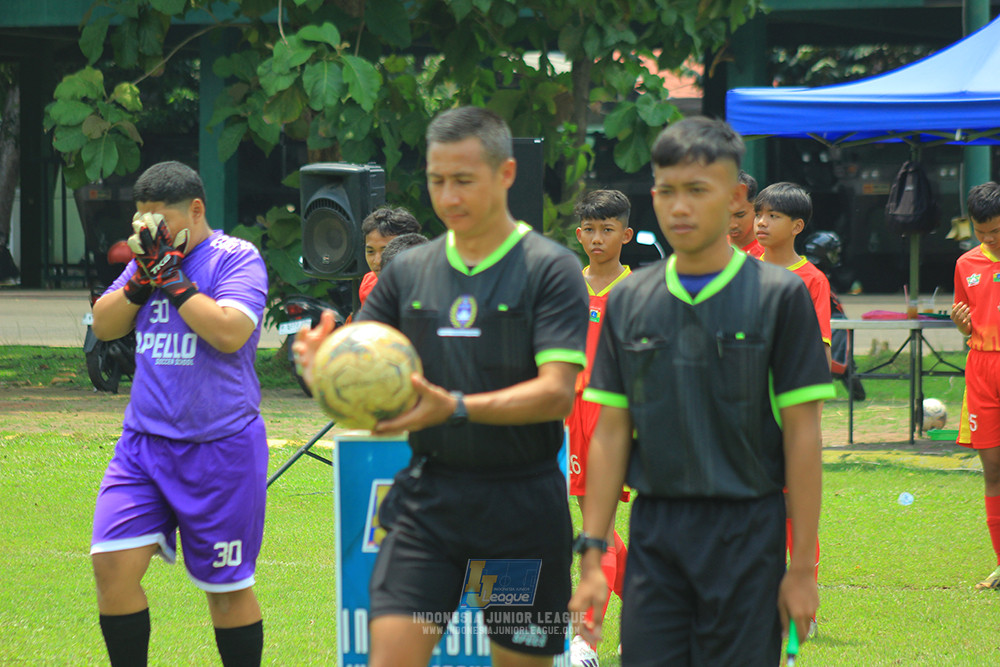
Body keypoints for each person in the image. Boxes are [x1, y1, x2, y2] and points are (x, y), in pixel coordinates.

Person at [294, 106, 589, 667]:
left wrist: (452, 407)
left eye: (464, 180)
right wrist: (320, 365)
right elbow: (361, 358)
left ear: (505, 174)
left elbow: (555, 392)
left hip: (519, 508)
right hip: (429, 503)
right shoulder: (408, 271)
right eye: (437, 180)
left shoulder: (550, 268)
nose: (449, 195)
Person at [569, 117, 833, 665]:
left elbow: (804, 438)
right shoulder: (630, 300)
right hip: (655, 535)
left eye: (698, 190)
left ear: (737, 197)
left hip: (747, 534)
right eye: (667, 191)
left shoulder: (780, 297)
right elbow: (613, 432)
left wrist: (802, 568)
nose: (679, 207)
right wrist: (593, 553)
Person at [89, 161, 269, 666]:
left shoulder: (237, 258)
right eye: (141, 224)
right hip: (143, 446)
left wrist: (174, 281)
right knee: (112, 568)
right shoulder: (146, 262)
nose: (149, 234)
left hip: (221, 448)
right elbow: (103, 326)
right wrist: (141, 282)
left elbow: (230, 332)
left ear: (195, 210)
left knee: (226, 590)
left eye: (159, 223)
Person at [565, 189, 633, 666]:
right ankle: (660, 603)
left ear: (626, 235)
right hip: (571, 414)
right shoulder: (566, 286)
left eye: (607, 229)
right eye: (590, 229)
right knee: (598, 526)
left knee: (599, 531)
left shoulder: (638, 291)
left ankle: (585, 641)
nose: (597, 238)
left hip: (615, 418)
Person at [952, 181, 1000, 590]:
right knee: (993, 470)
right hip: (981, 368)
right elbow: (967, 315)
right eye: (981, 232)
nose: (988, 239)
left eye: (996, 232)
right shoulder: (966, 263)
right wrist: (961, 325)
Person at [755, 181, 833, 369]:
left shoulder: (814, 279)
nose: (761, 222)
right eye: (757, 215)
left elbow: (821, 343)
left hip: (790, 377)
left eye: (773, 216)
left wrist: (818, 396)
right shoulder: (744, 270)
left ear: (797, 227)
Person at [358, 206, 422, 307]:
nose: (377, 261)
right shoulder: (369, 284)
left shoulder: (430, 286)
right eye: (370, 251)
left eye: (387, 251)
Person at [728, 169, 763, 258]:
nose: (732, 225)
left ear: (756, 207)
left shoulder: (770, 253)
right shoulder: (709, 248)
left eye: (740, 215)